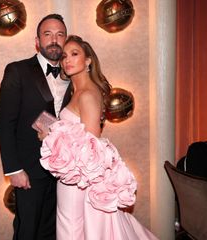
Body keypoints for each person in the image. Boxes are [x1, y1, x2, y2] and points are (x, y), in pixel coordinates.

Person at [38, 35, 158, 240]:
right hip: (72, 177)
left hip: (77, 180)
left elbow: (90, 147)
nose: (67, 59)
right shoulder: (78, 92)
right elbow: (78, 133)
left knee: (72, 230)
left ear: (88, 61)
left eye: (75, 54)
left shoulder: (86, 94)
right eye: (65, 55)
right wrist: (54, 132)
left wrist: (51, 139)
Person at [0, 14, 72, 240]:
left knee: (53, 231)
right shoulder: (17, 71)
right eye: (47, 34)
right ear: (37, 41)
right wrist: (14, 170)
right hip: (28, 171)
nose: (54, 40)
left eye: (60, 34)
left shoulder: (73, 75)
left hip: (62, 173)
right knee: (27, 231)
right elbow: (5, 124)